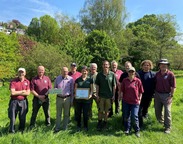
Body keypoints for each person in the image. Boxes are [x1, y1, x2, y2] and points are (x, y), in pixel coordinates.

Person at [119, 67, 144, 137]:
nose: (131, 73)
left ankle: (137, 130)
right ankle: (127, 129)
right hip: (126, 101)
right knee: (126, 116)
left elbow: (141, 92)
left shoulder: (138, 81)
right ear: (128, 73)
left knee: (134, 116)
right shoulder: (124, 80)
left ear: (135, 73)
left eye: (132, 72)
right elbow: (122, 91)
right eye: (130, 72)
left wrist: (139, 100)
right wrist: (120, 97)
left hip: (135, 102)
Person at [154, 59, 176, 134]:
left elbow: (173, 86)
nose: (163, 65)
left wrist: (171, 96)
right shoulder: (157, 74)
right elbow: (154, 84)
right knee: (157, 110)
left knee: (167, 111)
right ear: (159, 66)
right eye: (162, 64)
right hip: (157, 94)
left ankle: (167, 127)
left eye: (165, 64)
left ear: (167, 65)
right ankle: (161, 122)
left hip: (167, 95)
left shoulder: (171, 74)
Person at [95, 60, 116, 130]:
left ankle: (105, 122)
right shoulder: (99, 74)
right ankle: (99, 122)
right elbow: (97, 85)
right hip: (101, 96)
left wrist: (113, 95)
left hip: (109, 97)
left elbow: (114, 86)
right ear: (102, 66)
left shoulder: (112, 74)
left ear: (109, 66)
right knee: (100, 110)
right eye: (104, 65)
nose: (105, 66)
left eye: (106, 65)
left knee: (107, 111)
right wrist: (97, 95)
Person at [8, 68, 30, 133]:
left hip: (23, 101)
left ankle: (21, 130)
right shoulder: (13, 81)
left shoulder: (27, 81)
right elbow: (12, 93)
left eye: (22, 72)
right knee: (12, 117)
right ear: (18, 73)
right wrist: (22, 91)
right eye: (20, 72)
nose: (21, 73)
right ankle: (11, 131)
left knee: (23, 117)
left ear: (25, 73)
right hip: (14, 101)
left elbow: (28, 93)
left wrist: (17, 92)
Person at [54, 67, 74, 132]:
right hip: (59, 98)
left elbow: (72, 90)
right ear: (61, 71)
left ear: (68, 72)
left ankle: (65, 128)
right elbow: (55, 88)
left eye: (66, 71)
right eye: (64, 71)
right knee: (58, 114)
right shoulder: (57, 78)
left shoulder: (71, 79)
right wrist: (55, 90)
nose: (65, 72)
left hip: (67, 98)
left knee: (66, 114)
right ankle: (57, 128)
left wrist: (72, 100)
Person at [138, 60, 156, 127]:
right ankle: (139, 119)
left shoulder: (153, 74)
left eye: (148, 65)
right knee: (140, 107)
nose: (146, 66)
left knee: (146, 106)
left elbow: (155, 84)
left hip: (149, 94)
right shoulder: (138, 74)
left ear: (150, 66)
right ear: (142, 66)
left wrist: (154, 93)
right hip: (140, 94)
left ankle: (145, 116)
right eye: (144, 65)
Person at [74, 66, 93, 131]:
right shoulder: (77, 80)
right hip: (79, 100)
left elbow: (91, 90)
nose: (84, 72)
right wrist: (76, 95)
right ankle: (78, 126)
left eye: (85, 71)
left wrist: (90, 96)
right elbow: (75, 89)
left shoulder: (90, 80)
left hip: (87, 100)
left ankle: (85, 126)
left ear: (87, 72)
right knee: (78, 113)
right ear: (81, 72)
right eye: (83, 71)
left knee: (85, 114)